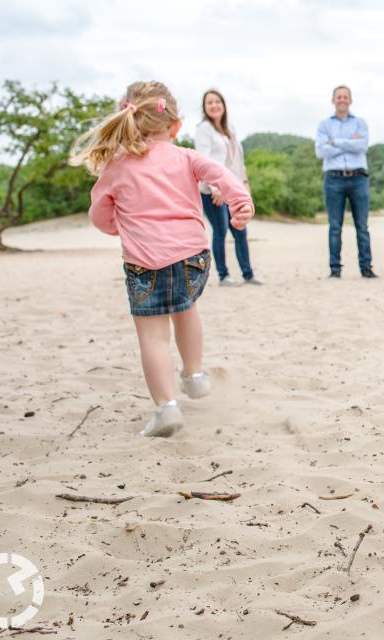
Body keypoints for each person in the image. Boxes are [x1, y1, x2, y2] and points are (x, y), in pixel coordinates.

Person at [70, 81, 254, 438]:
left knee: (153, 337)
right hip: (191, 257)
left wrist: (114, 227)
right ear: (175, 127)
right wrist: (240, 201)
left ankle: (166, 408)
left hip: (143, 263)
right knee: (186, 312)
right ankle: (195, 375)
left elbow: (98, 213)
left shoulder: (117, 167)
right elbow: (220, 174)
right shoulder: (186, 156)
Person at [195, 89, 260, 286]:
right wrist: (217, 189)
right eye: (209, 102)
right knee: (221, 229)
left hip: (233, 187)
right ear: (205, 108)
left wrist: (244, 184)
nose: (214, 105)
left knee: (240, 229)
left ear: (223, 105)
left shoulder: (229, 128)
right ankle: (223, 275)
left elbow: (237, 161)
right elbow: (203, 160)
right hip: (212, 190)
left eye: (217, 102)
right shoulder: (204, 129)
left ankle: (248, 274)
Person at [315, 85, 375, 279]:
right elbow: (320, 151)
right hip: (333, 178)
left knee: (362, 226)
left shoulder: (360, 123)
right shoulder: (324, 125)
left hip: (358, 177)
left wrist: (334, 141)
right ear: (333, 100)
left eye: (345, 97)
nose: (342, 99)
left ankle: (366, 268)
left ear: (350, 100)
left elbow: (362, 146)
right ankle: (335, 269)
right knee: (335, 226)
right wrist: (349, 141)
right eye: (338, 97)